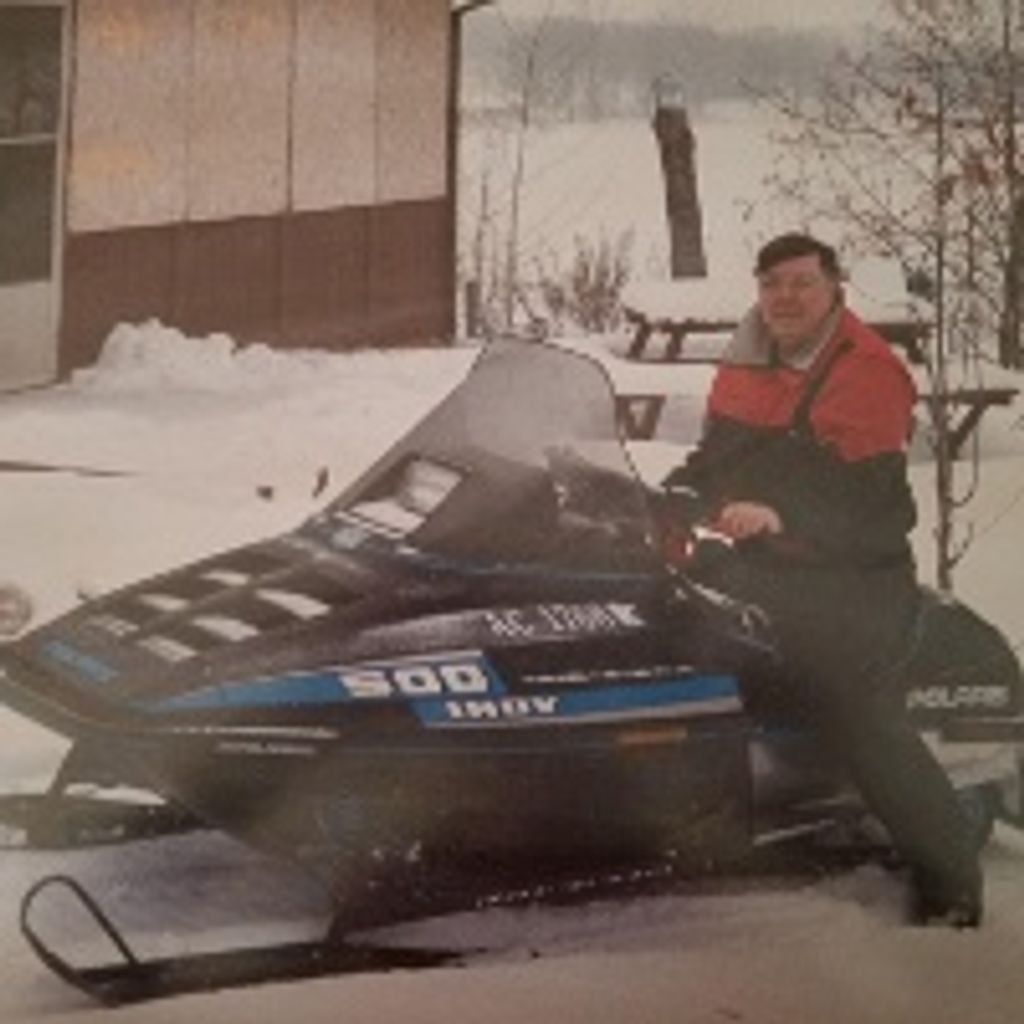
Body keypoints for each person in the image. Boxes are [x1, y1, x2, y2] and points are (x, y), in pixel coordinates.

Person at [663, 232, 982, 927]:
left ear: (835, 288)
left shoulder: (866, 369)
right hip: (769, 567)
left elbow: (866, 500)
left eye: (802, 282)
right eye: (772, 283)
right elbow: (717, 459)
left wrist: (780, 513)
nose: (785, 297)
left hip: (855, 578)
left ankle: (952, 882)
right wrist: (678, 496)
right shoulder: (750, 358)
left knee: (850, 704)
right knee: (662, 621)